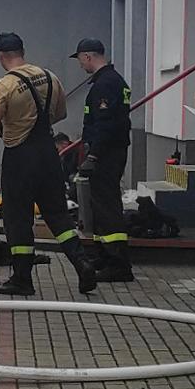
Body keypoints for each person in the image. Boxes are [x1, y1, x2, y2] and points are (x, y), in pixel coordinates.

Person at [0, 32, 96, 296]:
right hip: (48, 153)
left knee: (18, 218)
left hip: (19, 158)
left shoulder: (4, 85)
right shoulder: (50, 77)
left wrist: (11, 123)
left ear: (1, 57)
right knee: (57, 214)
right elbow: (61, 113)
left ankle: (22, 279)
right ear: (23, 51)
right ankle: (83, 263)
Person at [72, 38, 136, 282]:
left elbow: (106, 124)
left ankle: (118, 263)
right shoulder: (111, 81)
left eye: (80, 59)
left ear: (88, 56)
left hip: (107, 153)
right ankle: (104, 256)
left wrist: (93, 154)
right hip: (109, 151)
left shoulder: (106, 84)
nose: (80, 65)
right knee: (99, 205)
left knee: (107, 207)